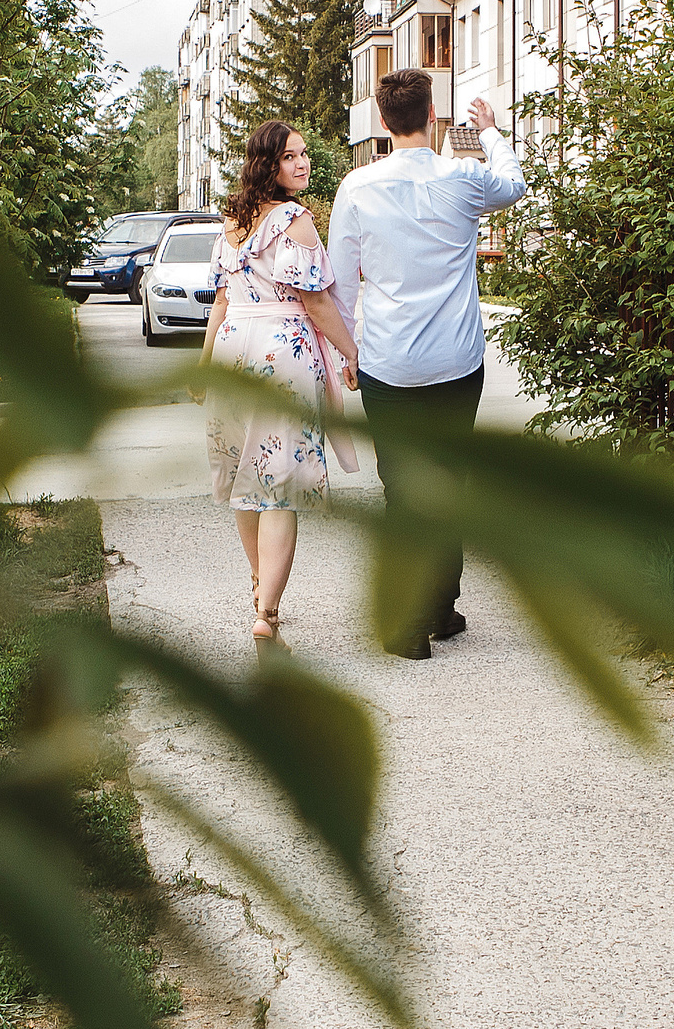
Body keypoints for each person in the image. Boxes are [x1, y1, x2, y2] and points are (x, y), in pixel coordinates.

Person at [329, 67, 527, 661]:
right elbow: (513, 183)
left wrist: (347, 354)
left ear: (384, 122)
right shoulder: (464, 178)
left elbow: (338, 281)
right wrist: (490, 132)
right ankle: (439, 607)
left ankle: (409, 623)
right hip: (456, 360)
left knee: (402, 488)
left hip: (388, 362)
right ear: (433, 115)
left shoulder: (357, 189)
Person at [199, 120, 361, 643]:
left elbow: (222, 303)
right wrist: (351, 352)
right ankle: (266, 611)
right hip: (281, 351)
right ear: (268, 165)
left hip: (233, 349)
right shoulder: (297, 221)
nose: (304, 163)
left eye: (305, 154)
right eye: (291, 157)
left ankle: (258, 587)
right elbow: (315, 302)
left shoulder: (232, 223)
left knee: (248, 481)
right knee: (280, 485)